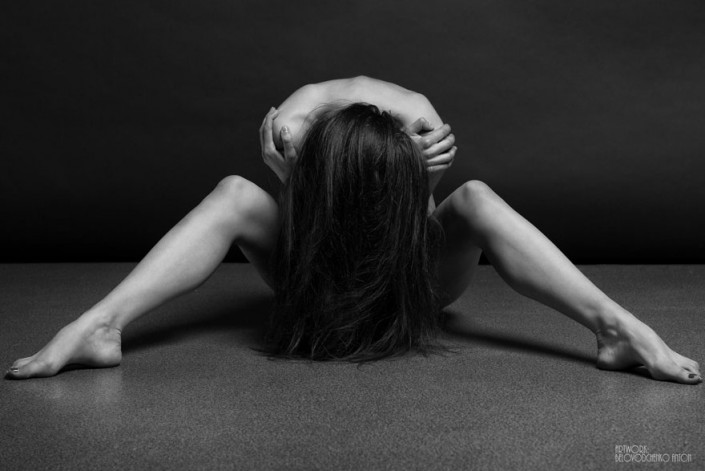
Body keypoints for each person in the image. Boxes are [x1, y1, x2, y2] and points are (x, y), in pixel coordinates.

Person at [5, 76, 701, 383]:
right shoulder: (295, 122)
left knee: (477, 198)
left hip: (410, 277)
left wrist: (419, 183)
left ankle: (616, 328)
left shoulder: (418, 119)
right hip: (312, 271)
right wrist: (288, 177)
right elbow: (320, 227)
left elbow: (395, 235)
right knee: (234, 193)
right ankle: (99, 326)